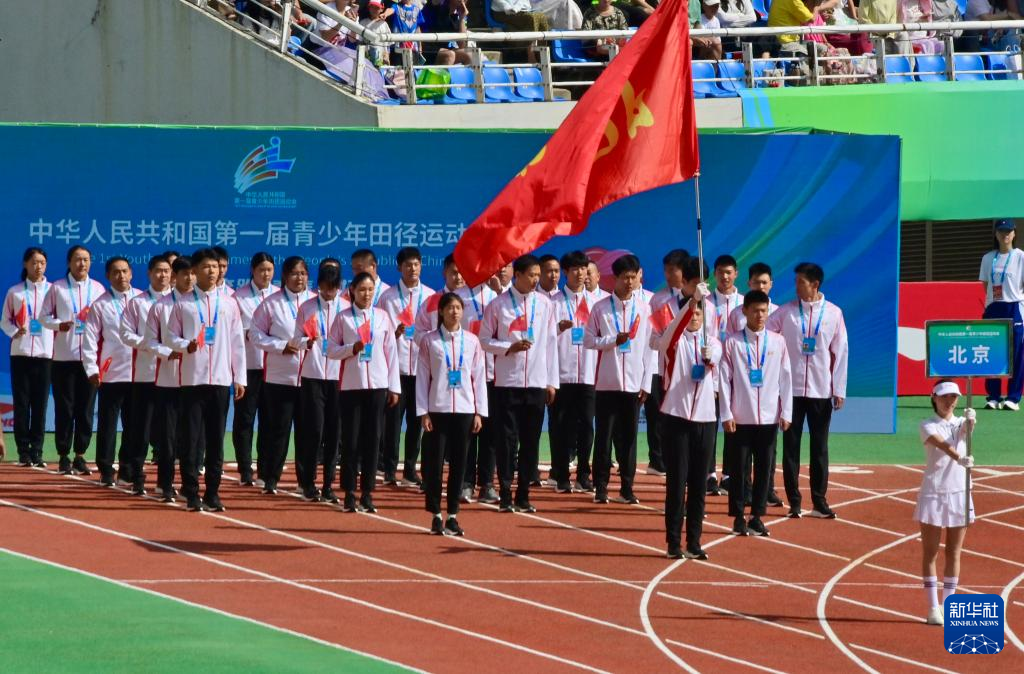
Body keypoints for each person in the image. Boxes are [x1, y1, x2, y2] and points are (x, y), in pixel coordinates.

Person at [164, 248, 247, 512]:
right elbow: (170, 336)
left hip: (220, 381)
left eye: (215, 267)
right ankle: (191, 492)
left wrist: (239, 377)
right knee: (190, 439)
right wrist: (184, 345)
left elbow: (237, 343)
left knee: (215, 440)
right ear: (194, 271)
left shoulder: (229, 304)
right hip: (192, 380)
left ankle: (213, 492)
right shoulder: (183, 304)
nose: (212, 271)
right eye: (206, 267)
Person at [415, 256, 500, 504]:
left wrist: (499, 290)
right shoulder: (447, 300)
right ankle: (465, 483)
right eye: (455, 272)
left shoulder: (494, 297)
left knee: (489, 434)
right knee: (461, 440)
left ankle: (487, 483)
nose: (460, 277)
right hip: (452, 380)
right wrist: (438, 349)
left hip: (492, 374)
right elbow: (422, 334)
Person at [767, 262, 849, 519]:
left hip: (820, 390)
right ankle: (794, 501)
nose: (796, 286)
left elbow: (841, 351)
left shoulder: (834, 313)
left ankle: (819, 501)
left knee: (819, 447)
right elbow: (764, 334)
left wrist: (839, 388)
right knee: (791, 447)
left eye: (800, 282)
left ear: (815, 284)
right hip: (790, 391)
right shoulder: (786, 312)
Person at [480, 254, 559, 513]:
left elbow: (551, 344)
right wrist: (508, 347)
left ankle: (523, 493)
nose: (536, 280)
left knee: (531, 440)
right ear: (518, 275)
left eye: (538, 275)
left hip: (536, 382)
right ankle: (504, 492)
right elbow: (484, 340)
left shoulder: (545, 304)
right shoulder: (498, 305)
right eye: (531, 275)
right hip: (507, 382)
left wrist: (551, 382)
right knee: (506, 440)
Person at [720, 290, 792, 537]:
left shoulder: (778, 342)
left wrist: (786, 411)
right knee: (739, 470)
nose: (760, 316)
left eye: (764, 311)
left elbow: (786, 378)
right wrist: (726, 414)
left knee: (764, 469)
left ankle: (757, 517)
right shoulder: (732, 342)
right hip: (740, 417)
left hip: (769, 418)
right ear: (745, 311)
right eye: (755, 311)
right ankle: (738, 516)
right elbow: (724, 380)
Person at [585, 254, 655, 505]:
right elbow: (589, 340)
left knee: (629, 440)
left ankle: (627, 487)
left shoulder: (644, 308)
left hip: (634, 385)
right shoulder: (600, 308)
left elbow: (650, 349)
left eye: (633, 277)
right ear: (615, 278)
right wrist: (613, 340)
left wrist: (646, 383)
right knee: (604, 438)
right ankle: (601, 487)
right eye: (625, 277)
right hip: (607, 384)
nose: (629, 282)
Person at [328, 272, 401, 513]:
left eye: (370, 290)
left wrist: (394, 387)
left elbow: (391, 353)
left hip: (378, 386)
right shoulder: (343, 318)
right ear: (352, 291)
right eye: (361, 290)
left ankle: (367, 492)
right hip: (351, 386)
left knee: (373, 440)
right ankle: (349, 492)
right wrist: (352, 348)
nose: (366, 294)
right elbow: (331, 350)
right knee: (351, 440)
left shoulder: (382, 317)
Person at [417, 292, 488, 536]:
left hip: (465, 411)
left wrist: (479, 412)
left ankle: (453, 515)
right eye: (449, 308)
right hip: (438, 409)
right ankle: (436, 514)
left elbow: (478, 377)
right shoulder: (429, 341)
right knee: (434, 465)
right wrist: (423, 411)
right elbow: (422, 377)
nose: (454, 312)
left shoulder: (472, 341)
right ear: (441, 311)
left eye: (458, 307)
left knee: (460, 465)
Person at [657, 295, 720, 560]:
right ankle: (673, 542)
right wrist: (691, 301)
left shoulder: (712, 342)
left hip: (705, 420)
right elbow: (669, 336)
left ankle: (694, 541)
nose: (694, 318)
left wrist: (710, 357)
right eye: (690, 314)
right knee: (677, 482)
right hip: (676, 418)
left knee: (698, 483)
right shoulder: (674, 341)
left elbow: (716, 357)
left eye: (698, 314)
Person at [250, 256, 315, 496]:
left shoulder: (315, 303)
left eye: (303, 273)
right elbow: (255, 334)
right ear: (285, 276)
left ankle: (306, 481)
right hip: (280, 377)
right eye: (295, 273)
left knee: (307, 432)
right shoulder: (271, 304)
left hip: (311, 376)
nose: (299, 278)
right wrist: (280, 346)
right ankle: (270, 477)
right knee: (277, 429)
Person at [40, 246, 106, 477]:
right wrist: (59, 325)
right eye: (78, 259)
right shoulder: (57, 288)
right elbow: (43, 317)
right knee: (65, 408)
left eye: (86, 259)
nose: (82, 264)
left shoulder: (97, 289)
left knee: (86, 409)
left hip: (89, 359)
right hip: (64, 357)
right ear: (69, 262)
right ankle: (63, 454)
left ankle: (80, 454)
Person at [915, 380, 976, 626]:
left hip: (959, 492)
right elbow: (941, 444)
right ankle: (932, 608)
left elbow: (966, 430)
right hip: (934, 492)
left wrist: (971, 420)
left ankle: (948, 605)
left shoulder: (961, 422)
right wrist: (960, 458)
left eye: (953, 397)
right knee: (930, 552)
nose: (949, 401)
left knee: (954, 552)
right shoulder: (927, 425)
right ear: (934, 398)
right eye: (944, 397)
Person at [379, 247, 435, 487]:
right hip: (397, 369)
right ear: (399, 268)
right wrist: (395, 333)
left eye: (416, 264)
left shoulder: (431, 296)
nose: (412, 269)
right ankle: (390, 468)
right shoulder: (388, 297)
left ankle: (410, 468)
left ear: (421, 265)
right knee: (392, 422)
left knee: (416, 421)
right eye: (407, 265)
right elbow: (379, 332)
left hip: (422, 369)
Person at [82, 257, 140, 487]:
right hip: (111, 373)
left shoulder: (141, 300)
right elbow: (89, 340)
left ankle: (127, 468)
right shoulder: (101, 305)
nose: (121, 276)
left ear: (131, 273)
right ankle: (106, 468)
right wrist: (92, 368)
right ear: (108, 276)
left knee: (134, 424)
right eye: (116, 272)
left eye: (125, 271)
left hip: (139, 373)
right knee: (108, 424)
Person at [293, 263, 348, 504]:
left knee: (334, 432)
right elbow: (295, 338)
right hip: (312, 375)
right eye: (325, 287)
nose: (329, 292)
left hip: (339, 377)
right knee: (313, 430)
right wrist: (306, 341)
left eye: (333, 288)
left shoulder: (346, 309)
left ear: (339, 286)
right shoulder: (307, 307)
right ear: (319, 285)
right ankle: (308, 482)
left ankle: (328, 484)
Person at [118, 255, 173, 495]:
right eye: (158, 271)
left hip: (171, 376)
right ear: (149, 273)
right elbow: (125, 333)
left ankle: (164, 482)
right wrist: (150, 344)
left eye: (167, 271)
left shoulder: (178, 302)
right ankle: (136, 476)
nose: (163, 275)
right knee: (140, 429)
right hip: (146, 374)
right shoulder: (137, 303)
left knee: (167, 432)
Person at [145, 256, 194, 503]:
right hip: (169, 378)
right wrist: (168, 352)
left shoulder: (202, 306)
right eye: (184, 274)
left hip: (195, 380)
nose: (189, 278)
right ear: (174, 276)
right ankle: (164, 483)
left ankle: (188, 484)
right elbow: (150, 341)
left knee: (191, 436)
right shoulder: (161, 306)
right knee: (167, 436)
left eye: (192, 273)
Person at [550, 251, 598, 493]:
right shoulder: (553, 303)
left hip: (589, 374)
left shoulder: (597, 303)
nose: (581, 274)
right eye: (576, 269)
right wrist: (557, 329)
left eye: (584, 269)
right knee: (561, 426)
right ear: (566, 272)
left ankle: (583, 474)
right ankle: (561, 475)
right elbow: (542, 340)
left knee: (587, 426)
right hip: (561, 374)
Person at [2, 248, 53, 468]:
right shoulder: (15, 292)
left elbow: (60, 319)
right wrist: (15, 332)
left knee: (40, 405)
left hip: (45, 354)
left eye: (42, 262)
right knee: (22, 404)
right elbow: (4, 320)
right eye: (34, 262)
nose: (38, 266)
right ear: (25, 264)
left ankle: (37, 450)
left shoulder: (53, 291)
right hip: (20, 353)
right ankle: (23, 450)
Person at [232, 253, 277, 486]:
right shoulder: (238, 297)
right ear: (252, 270)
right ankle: (245, 469)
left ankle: (265, 469)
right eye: (261, 270)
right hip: (249, 366)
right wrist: (248, 332)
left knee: (269, 420)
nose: (266, 274)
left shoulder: (279, 296)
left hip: (274, 369)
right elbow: (232, 331)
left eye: (269, 270)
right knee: (245, 419)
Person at [646, 249, 691, 478]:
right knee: (659, 415)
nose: (667, 274)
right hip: (661, 368)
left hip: (689, 370)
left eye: (672, 270)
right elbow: (655, 335)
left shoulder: (698, 299)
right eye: (665, 270)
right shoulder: (659, 299)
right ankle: (658, 459)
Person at [979, 219, 1024, 410]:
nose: (1005, 235)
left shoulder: (1021, 256)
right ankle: (994, 396)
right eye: (1001, 231)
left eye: (1008, 231)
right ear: (996, 234)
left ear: (1014, 234)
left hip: (1014, 307)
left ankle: (1013, 398)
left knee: (1017, 354)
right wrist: (994, 300)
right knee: (992, 352)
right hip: (993, 308)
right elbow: (986, 285)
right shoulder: (988, 258)